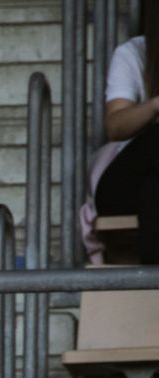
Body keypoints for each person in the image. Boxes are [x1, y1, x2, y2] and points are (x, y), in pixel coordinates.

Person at [94, 9, 159, 264]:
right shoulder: (133, 53)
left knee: (153, 189)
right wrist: (155, 106)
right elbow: (115, 126)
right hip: (120, 187)